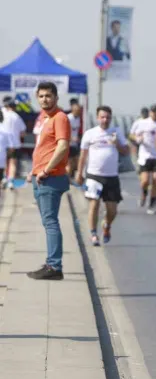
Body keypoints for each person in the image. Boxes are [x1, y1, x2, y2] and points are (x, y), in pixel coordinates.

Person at [26, 82, 71, 280]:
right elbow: (43, 147)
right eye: (42, 96)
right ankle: (52, 263)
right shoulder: (45, 118)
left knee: (50, 222)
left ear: (56, 98)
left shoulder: (59, 118)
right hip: (42, 175)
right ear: (37, 97)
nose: (45, 99)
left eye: (49, 96)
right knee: (48, 221)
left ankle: (54, 266)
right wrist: (33, 170)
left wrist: (45, 169)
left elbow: (62, 147)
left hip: (50, 178)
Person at [75, 106, 128, 246]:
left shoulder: (116, 132)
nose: (105, 120)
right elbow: (83, 155)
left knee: (112, 210)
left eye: (107, 117)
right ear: (98, 118)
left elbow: (126, 151)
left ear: (111, 118)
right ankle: (93, 234)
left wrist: (117, 144)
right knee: (94, 204)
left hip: (111, 176)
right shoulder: (90, 134)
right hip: (94, 175)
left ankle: (106, 226)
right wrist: (79, 173)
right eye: (102, 117)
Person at [133, 104, 156, 212]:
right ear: (150, 112)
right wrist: (138, 139)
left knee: (155, 179)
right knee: (145, 181)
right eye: (153, 111)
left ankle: (152, 202)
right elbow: (133, 135)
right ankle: (144, 194)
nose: (154, 114)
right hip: (145, 156)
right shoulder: (143, 123)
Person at [1, 97, 26, 189]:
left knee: (3, 162)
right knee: (12, 163)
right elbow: (23, 132)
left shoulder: (2, 113)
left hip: (2, 144)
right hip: (14, 144)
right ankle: (10, 181)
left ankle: (3, 179)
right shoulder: (17, 117)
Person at [66, 98, 83, 181]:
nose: (79, 112)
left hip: (74, 144)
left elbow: (77, 131)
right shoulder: (68, 118)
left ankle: (71, 178)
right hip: (68, 144)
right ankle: (66, 180)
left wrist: (78, 139)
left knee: (75, 162)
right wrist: (71, 138)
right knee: (69, 163)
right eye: (77, 110)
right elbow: (64, 132)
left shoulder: (78, 119)